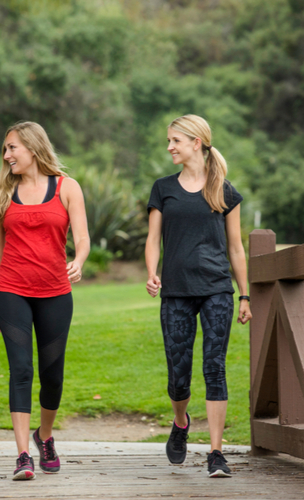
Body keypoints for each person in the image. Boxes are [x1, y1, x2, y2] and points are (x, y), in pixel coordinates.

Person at [145, 114, 252, 478]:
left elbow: (236, 249)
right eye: (169, 140)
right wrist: (151, 272)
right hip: (175, 291)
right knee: (178, 375)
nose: (170, 146)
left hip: (217, 290)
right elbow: (152, 239)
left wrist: (245, 296)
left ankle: (216, 452)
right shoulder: (163, 188)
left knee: (214, 367)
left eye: (175, 140)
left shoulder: (225, 190)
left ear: (196, 142)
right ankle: (181, 421)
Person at [0, 121, 90, 481]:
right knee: (21, 369)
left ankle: (44, 437)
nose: (7, 155)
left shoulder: (66, 187)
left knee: (52, 374)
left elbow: (83, 237)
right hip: (11, 289)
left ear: (32, 148)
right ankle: (23, 455)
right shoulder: (3, 190)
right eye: (5, 149)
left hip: (55, 292)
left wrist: (78, 260)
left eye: (12, 147)